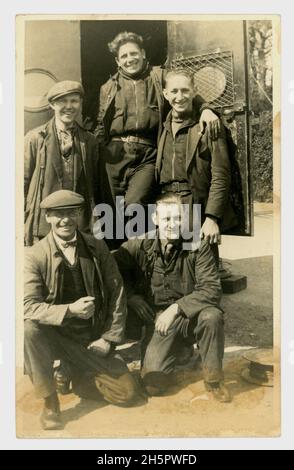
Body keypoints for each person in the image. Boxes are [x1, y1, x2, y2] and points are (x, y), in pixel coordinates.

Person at [24, 190, 139, 431]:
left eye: (71, 213)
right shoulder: (35, 256)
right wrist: (70, 310)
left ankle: (74, 373)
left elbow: (117, 292)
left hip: (91, 339)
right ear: (47, 217)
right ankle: (50, 403)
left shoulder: (97, 247)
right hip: (56, 338)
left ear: (79, 214)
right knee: (30, 330)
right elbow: (28, 306)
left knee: (128, 394)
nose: (65, 220)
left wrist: (109, 338)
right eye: (58, 214)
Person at [114, 193, 231, 402]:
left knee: (212, 316)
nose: (173, 224)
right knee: (152, 386)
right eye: (167, 219)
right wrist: (131, 296)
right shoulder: (139, 244)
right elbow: (113, 272)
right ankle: (179, 348)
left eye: (178, 218)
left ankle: (214, 380)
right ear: (155, 220)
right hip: (159, 321)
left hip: (190, 315)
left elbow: (212, 289)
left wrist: (175, 309)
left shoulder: (198, 245)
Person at [94, 31, 220, 214]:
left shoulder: (160, 76)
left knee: (134, 206)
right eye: (124, 56)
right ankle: (121, 244)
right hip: (114, 155)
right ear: (117, 61)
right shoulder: (108, 87)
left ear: (143, 53)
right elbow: (100, 123)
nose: (129, 59)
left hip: (148, 154)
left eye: (133, 53)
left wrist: (206, 109)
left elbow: (185, 91)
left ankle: (142, 242)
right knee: (111, 210)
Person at [156, 68, 238, 266]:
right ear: (165, 94)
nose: (179, 96)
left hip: (196, 205)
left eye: (185, 90)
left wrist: (212, 218)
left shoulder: (209, 124)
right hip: (168, 203)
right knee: (171, 270)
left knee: (200, 273)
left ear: (195, 91)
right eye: (174, 91)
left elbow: (221, 174)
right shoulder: (162, 125)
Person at [24, 80, 99, 246]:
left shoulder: (89, 141)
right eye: (62, 101)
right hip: (44, 224)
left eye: (74, 101)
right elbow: (23, 182)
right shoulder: (36, 138)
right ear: (52, 104)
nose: (69, 106)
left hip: (78, 224)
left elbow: (94, 186)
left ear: (80, 104)